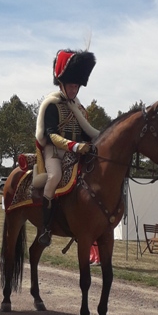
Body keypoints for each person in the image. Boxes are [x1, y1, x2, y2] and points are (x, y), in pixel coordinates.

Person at [35, 48, 100, 247]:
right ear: (62, 84)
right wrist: (73, 146)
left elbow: (86, 133)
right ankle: (45, 227)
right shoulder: (52, 105)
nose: (73, 90)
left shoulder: (80, 109)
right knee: (54, 177)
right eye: (70, 86)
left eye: (76, 86)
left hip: (76, 151)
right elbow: (51, 134)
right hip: (54, 151)